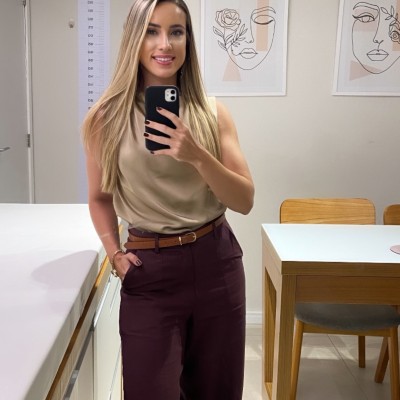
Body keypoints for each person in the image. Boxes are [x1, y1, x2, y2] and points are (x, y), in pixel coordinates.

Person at [82, 0, 254, 399]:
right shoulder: (105, 118)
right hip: (150, 268)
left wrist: (197, 155)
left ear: (188, 41)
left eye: (176, 32)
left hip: (217, 262)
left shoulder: (212, 113)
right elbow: (99, 197)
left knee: (217, 391)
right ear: (134, 39)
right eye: (151, 31)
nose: (165, 44)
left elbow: (244, 200)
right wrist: (114, 254)